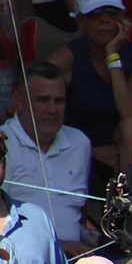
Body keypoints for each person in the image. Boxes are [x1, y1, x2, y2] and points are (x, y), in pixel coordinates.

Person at [47, 0, 132, 170]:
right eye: (95, 14)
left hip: (126, 145)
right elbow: (33, 96)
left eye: (112, 12)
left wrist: (112, 56)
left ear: (123, 18)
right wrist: (89, 150)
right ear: (81, 21)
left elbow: (129, 113)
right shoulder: (67, 57)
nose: (105, 20)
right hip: (84, 151)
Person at [2, 60, 91, 254]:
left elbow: (81, 213)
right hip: (21, 257)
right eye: (43, 100)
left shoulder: (79, 143)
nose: (52, 109)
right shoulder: (4, 144)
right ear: (20, 101)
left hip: (75, 258)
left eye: (59, 101)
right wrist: (55, 245)